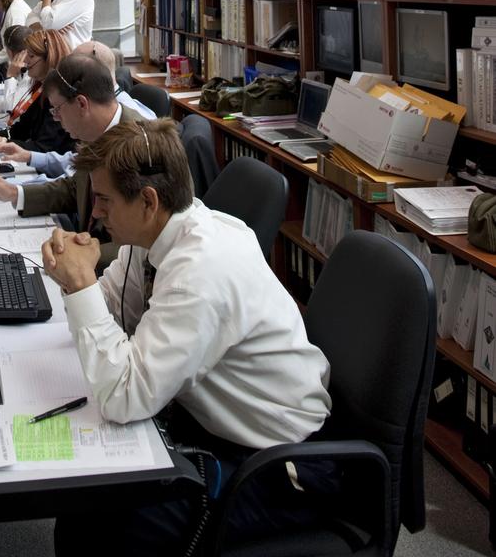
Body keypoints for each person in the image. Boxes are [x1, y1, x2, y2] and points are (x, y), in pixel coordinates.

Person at [43, 120, 333, 557]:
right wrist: (75, 284)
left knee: (103, 520)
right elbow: (110, 308)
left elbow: (125, 396)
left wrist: (80, 287)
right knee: (87, 504)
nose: (95, 213)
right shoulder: (158, 233)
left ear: (148, 200)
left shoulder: (200, 270)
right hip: (216, 429)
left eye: (103, 199)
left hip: (279, 467)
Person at [0, 53, 150, 270]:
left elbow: (148, 242)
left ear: (82, 104)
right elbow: (77, 189)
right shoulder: (95, 133)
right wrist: (14, 193)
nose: (56, 118)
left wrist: (86, 253)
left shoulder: (143, 146)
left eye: (57, 110)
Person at [0, 38, 155, 180]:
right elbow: (79, 165)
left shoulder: (131, 130)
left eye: (75, 64)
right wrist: (29, 157)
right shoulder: (104, 111)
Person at [0, 28, 73, 156]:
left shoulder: (58, 97)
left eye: (31, 56)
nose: (25, 61)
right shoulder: (41, 88)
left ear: (48, 58)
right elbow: (20, 130)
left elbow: (42, 149)